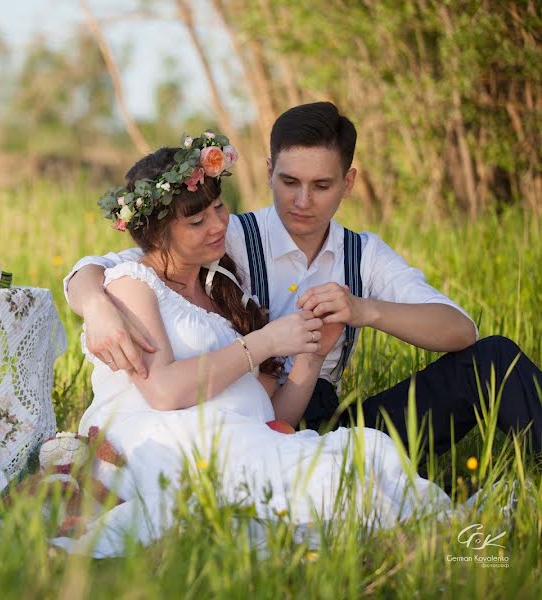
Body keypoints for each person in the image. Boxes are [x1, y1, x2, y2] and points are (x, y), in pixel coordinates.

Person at [65, 102, 542, 458]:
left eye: (322, 186)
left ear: (348, 183)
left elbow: (459, 329)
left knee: (493, 358)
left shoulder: (364, 254)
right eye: (289, 182)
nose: (302, 202)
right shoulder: (223, 234)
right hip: (250, 421)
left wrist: (363, 311)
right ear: (270, 172)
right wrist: (98, 307)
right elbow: (116, 266)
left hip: (326, 416)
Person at [52, 136, 451, 557]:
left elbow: (273, 415)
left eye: (219, 208)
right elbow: (165, 391)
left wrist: (312, 355)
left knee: (367, 453)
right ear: (156, 233)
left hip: (235, 438)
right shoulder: (134, 285)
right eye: (196, 221)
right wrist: (264, 342)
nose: (218, 225)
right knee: (323, 476)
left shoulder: (221, 288)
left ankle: (427, 538)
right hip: (163, 443)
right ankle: (418, 537)